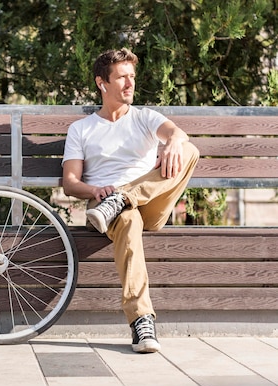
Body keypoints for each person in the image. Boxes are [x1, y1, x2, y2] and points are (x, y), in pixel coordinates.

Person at [61, 48, 200, 353]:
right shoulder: (82, 129)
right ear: (102, 83)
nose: (129, 83)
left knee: (189, 150)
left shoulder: (145, 117)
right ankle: (142, 321)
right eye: (121, 77)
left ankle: (124, 198)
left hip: (149, 203)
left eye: (132, 77)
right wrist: (94, 192)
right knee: (127, 218)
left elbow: (176, 134)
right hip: (104, 207)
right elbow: (70, 182)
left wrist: (174, 141)